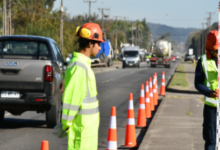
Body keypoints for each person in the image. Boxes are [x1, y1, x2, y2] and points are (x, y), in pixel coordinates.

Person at [53, 23, 104, 150]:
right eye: (98, 44)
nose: (100, 48)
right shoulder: (79, 67)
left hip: (87, 132)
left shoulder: (84, 65)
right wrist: (65, 124)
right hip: (81, 133)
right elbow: (72, 100)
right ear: (90, 44)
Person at [194, 30, 218, 150]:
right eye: (214, 50)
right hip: (211, 108)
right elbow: (197, 83)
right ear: (208, 48)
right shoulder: (203, 61)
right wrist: (209, 92)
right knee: (211, 141)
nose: (216, 53)